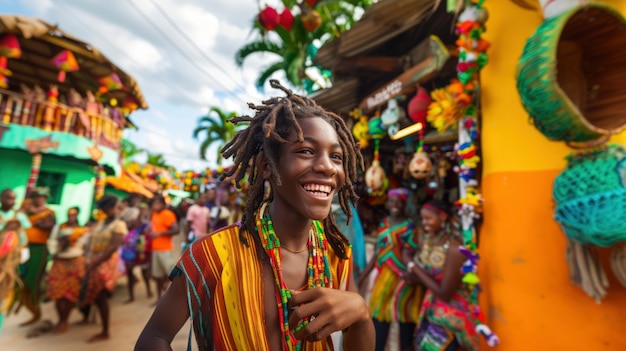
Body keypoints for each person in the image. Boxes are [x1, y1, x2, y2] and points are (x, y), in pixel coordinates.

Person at [135, 80, 374, 351]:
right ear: (267, 166)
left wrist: (361, 315)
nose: (327, 166)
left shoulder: (335, 253)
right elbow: (155, 336)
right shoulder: (215, 254)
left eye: (337, 156)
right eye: (306, 151)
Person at [403, 200, 479, 351]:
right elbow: (432, 277)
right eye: (422, 218)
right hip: (431, 310)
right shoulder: (430, 240)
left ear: (443, 217)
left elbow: (444, 293)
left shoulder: (455, 249)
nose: (424, 223)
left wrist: (413, 266)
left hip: (451, 318)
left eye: (428, 218)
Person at [358, 187, 423, 351]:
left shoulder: (409, 227)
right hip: (384, 280)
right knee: (379, 319)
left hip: (403, 280)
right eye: (391, 201)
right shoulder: (384, 223)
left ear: (404, 204)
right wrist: (361, 278)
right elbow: (377, 254)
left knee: (405, 322)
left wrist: (408, 272)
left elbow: (409, 253)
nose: (394, 205)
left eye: (398, 202)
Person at [80, 194, 128, 343]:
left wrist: (95, 262)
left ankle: (105, 331)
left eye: (105, 207)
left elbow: (113, 247)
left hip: (105, 263)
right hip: (94, 260)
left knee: (101, 295)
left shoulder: (118, 225)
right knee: (91, 290)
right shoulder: (102, 222)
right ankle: (88, 318)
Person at [45, 207, 89, 334]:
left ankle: (65, 320)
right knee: (57, 291)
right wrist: (55, 250)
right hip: (60, 261)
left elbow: (82, 246)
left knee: (70, 293)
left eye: (73, 215)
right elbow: (52, 241)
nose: (71, 217)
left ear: (77, 215)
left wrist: (70, 242)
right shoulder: (59, 228)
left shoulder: (82, 231)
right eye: (69, 214)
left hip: (75, 262)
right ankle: (61, 319)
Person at [19, 187, 56, 326]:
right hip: (23, 247)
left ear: (45, 198)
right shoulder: (25, 209)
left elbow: (50, 226)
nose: (39, 199)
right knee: (19, 277)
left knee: (33, 279)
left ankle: (35, 310)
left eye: (42, 197)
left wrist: (38, 223)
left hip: (39, 249)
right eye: (37, 196)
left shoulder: (49, 213)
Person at [0, 189, 30, 332]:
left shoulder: (19, 216)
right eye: (8, 198)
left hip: (10, 261)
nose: (11, 202)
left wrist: (23, 249)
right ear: (1, 198)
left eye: (13, 199)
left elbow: (23, 235)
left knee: (5, 291)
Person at [147, 195, 179, 302]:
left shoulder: (168, 214)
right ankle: (159, 298)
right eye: (154, 204)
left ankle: (173, 298)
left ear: (163, 204)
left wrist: (160, 233)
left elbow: (176, 230)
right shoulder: (154, 214)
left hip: (165, 250)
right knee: (157, 276)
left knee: (170, 275)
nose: (155, 206)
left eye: (158, 203)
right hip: (155, 249)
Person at [120, 203, 153, 303]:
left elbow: (146, 238)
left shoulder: (145, 225)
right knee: (130, 275)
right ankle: (131, 296)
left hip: (141, 252)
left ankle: (148, 290)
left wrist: (141, 252)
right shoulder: (127, 225)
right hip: (129, 253)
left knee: (145, 272)